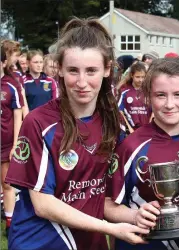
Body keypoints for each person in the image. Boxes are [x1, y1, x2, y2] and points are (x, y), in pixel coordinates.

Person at [5, 17, 148, 250]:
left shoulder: (113, 123)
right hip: (41, 243)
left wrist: (136, 217)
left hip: (90, 241)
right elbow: (43, 204)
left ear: (107, 70)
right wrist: (112, 229)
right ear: (59, 69)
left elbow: (100, 196)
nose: (82, 82)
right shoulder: (39, 122)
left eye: (91, 70)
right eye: (73, 70)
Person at [105, 58, 179, 250]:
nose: (169, 104)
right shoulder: (131, 147)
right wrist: (134, 216)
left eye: (178, 94)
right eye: (160, 95)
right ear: (148, 97)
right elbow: (105, 204)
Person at [1, 45, 24, 236]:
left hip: (6, 144)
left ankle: (10, 223)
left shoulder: (11, 84)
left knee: (7, 185)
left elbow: (18, 116)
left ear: (2, 63)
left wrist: (16, 144)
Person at [118, 62, 152, 133]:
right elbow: (119, 111)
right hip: (132, 131)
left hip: (148, 130)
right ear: (132, 75)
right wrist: (129, 128)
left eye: (143, 77)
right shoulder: (124, 92)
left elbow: (154, 111)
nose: (141, 80)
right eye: (138, 77)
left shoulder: (149, 92)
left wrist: (150, 125)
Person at [1, 39, 29, 118]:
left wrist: (26, 120)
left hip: (12, 123)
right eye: (16, 55)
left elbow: (23, 101)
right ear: (7, 54)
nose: (18, 59)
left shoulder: (17, 75)